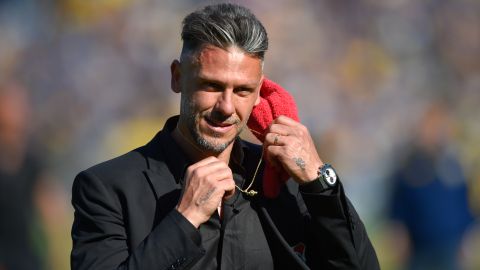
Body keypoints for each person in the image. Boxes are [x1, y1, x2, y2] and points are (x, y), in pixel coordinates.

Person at [71, 3, 379, 270]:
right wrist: (184, 219)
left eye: (242, 90)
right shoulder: (106, 188)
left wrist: (320, 181)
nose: (226, 107)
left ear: (260, 92)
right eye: (212, 86)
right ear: (177, 77)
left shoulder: (284, 181)